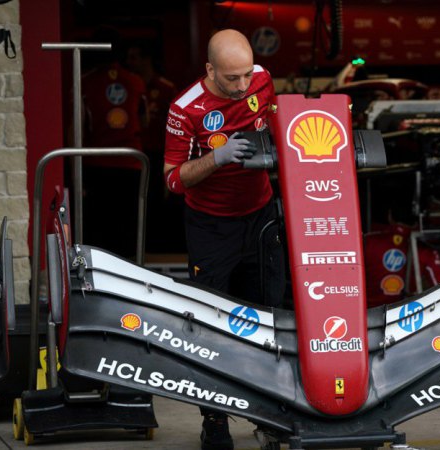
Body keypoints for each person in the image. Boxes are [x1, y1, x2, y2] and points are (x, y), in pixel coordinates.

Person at [163, 29, 284, 450]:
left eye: (247, 75)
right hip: (211, 227)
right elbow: (172, 179)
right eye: (232, 78)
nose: (242, 85)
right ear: (210, 70)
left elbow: (278, 123)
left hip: (262, 217)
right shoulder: (185, 108)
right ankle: (214, 419)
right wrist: (216, 158)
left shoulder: (261, 79)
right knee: (211, 323)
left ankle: (271, 413)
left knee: (269, 316)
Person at [81, 26, 148, 258]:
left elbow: (77, 129)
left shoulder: (84, 82)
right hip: (132, 163)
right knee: (129, 226)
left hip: (96, 164)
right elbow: (144, 120)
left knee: (99, 228)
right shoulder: (136, 81)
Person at [125, 41, 181, 253]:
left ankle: (157, 248)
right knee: (135, 201)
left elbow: (178, 124)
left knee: (158, 201)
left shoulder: (166, 88)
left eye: (134, 57)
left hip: (159, 153)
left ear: (146, 59)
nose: (130, 62)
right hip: (134, 154)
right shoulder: (129, 85)